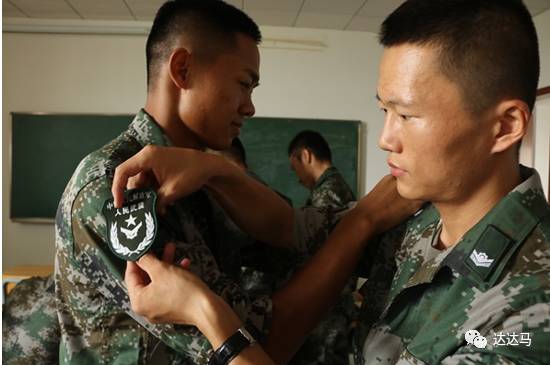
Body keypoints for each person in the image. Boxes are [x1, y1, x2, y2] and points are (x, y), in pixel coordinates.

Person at [119, 0, 550, 364]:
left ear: (505, 126)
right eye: (384, 111)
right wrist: (214, 169)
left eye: (407, 115)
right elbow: (295, 229)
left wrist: (205, 312)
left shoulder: (528, 309)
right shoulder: (418, 216)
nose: (385, 138)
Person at [54, 1, 415, 364]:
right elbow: (252, 342)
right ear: (183, 69)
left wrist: (218, 171)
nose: (250, 107)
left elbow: (294, 237)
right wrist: (360, 223)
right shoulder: (116, 189)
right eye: (244, 84)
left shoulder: (204, 177)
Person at [288, 130, 355, 209]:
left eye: (295, 168)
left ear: (305, 156)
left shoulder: (325, 194)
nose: (298, 179)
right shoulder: (335, 184)